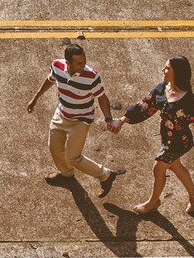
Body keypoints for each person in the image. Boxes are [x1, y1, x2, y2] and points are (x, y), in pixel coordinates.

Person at [111, 56, 194, 214]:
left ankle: (153, 202)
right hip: (167, 138)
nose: (163, 71)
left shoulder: (187, 99)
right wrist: (122, 121)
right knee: (176, 166)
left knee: (158, 168)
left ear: (176, 73)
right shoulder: (163, 88)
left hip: (179, 142)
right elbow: (144, 104)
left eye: (167, 68)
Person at [27, 43, 124, 197]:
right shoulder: (57, 66)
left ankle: (106, 175)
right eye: (79, 63)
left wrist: (108, 119)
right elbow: (50, 80)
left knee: (73, 157)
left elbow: (102, 97)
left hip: (81, 120)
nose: (83, 65)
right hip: (61, 113)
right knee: (54, 147)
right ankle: (66, 175)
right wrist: (35, 98)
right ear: (68, 62)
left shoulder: (92, 76)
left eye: (84, 61)